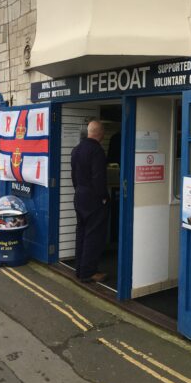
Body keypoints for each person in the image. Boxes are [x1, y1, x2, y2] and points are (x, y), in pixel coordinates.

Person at [71, 120, 109, 283]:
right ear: (100, 133)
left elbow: (73, 175)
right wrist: (104, 197)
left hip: (79, 195)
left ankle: (79, 268)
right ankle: (88, 272)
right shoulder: (97, 151)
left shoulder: (76, 149)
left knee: (81, 232)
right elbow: (98, 178)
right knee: (94, 235)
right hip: (93, 198)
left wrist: (79, 190)